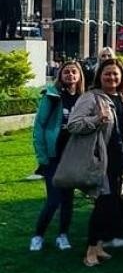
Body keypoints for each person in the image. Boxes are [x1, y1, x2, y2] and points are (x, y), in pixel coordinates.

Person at [67, 58, 123, 268]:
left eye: (115, 74)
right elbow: (73, 124)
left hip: (121, 160)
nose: (112, 77)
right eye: (107, 73)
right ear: (99, 76)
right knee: (103, 205)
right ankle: (90, 250)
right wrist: (96, 120)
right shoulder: (91, 97)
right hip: (100, 159)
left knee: (112, 204)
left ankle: (98, 247)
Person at [30, 60, 85, 251]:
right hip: (54, 156)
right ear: (60, 75)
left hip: (72, 157)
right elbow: (39, 126)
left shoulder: (83, 98)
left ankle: (63, 235)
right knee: (54, 200)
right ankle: (38, 235)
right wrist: (42, 156)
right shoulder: (52, 97)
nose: (70, 75)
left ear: (79, 76)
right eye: (66, 72)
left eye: (74, 72)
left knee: (68, 199)